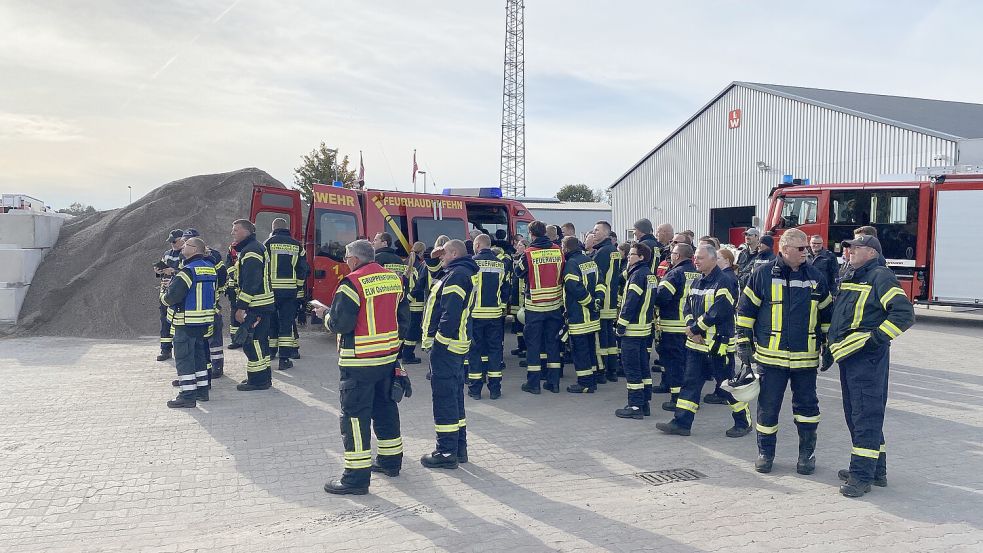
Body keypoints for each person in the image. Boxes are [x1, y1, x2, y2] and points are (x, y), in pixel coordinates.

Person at [314, 239, 407, 495]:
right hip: (386, 359)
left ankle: (356, 478)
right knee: (386, 408)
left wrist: (325, 315)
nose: (345, 262)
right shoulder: (393, 279)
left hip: (358, 362)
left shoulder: (351, 283)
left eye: (346, 258)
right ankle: (390, 462)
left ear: (355, 259)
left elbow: (341, 324)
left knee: (355, 418)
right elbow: (404, 320)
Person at [739, 229, 834, 474]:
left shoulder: (816, 276)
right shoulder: (761, 274)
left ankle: (806, 455)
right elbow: (746, 310)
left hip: (806, 359)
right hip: (771, 359)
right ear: (785, 249)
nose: (807, 251)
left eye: (807, 248)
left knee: (807, 410)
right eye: (801, 248)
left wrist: (829, 345)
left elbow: (826, 315)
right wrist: (743, 342)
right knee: (767, 409)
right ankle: (765, 454)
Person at [829, 234, 914, 497]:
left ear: (872, 252)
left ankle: (861, 476)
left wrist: (875, 339)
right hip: (849, 357)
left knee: (865, 417)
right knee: (857, 415)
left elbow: (904, 314)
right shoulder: (853, 275)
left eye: (856, 248)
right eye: (849, 248)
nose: (850, 251)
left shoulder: (880, 276)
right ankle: (877, 471)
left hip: (867, 359)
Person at [657, 244, 751, 437]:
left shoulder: (724, 281)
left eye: (700, 258)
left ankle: (743, 421)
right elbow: (686, 307)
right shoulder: (698, 281)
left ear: (713, 259)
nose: (696, 261)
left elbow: (720, 310)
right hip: (696, 344)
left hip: (718, 344)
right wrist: (692, 326)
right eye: (695, 258)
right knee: (690, 383)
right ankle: (681, 423)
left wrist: (696, 328)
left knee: (726, 386)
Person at [421, 240, 479, 469]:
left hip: (447, 346)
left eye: (444, 254)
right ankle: (459, 448)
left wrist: (439, 343)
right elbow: (436, 272)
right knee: (455, 397)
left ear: (454, 253)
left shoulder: (457, 275)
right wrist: (434, 254)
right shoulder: (459, 271)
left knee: (444, 399)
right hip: (456, 345)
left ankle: (446, 453)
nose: (441, 258)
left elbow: (450, 313)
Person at [160, 237, 216, 408]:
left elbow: (171, 298)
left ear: (194, 249)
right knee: (199, 357)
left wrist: (164, 291)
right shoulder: (210, 268)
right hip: (203, 322)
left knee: (184, 359)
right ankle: (201, 391)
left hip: (185, 322)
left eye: (186, 245)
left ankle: (187, 395)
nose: (183, 248)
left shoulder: (187, 271)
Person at [515, 221, 565, 394]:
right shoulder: (558, 250)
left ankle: (534, 384)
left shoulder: (528, 253)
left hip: (535, 306)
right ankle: (554, 382)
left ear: (531, 234)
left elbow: (518, 272)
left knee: (534, 345)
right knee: (552, 344)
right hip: (555, 304)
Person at [652, 236, 700, 410]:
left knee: (674, 363)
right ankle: (678, 391)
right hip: (690, 326)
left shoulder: (674, 273)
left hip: (672, 325)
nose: (670, 255)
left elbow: (662, 297)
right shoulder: (698, 273)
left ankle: (677, 398)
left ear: (678, 256)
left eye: (672, 253)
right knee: (686, 363)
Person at [230, 219, 276, 391]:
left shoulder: (251, 251)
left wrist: (241, 307)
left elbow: (252, 282)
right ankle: (262, 378)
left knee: (253, 342)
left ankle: (257, 381)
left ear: (246, 232)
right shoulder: (255, 247)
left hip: (256, 305)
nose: (232, 232)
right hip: (262, 304)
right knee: (260, 342)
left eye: (235, 229)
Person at [614, 242, 657, 418]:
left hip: (632, 330)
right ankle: (644, 403)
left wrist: (621, 325)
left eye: (632, 255)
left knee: (632, 369)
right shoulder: (649, 275)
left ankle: (635, 407)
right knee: (642, 368)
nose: (628, 257)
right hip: (644, 329)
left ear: (641, 257)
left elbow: (631, 302)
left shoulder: (637, 275)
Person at [468, 234, 509, 400]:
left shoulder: (472, 263)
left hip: (476, 315)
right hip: (495, 315)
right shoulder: (500, 264)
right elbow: (506, 289)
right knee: (494, 352)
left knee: (475, 352)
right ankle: (495, 389)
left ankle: (475, 389)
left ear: (477, 245)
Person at [265, 218, 309, 370]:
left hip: (270, 292)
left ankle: (271, 352)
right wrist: (298, 288)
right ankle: (284, 360)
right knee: (286, 324)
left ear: (273, 228)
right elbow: (303, 269)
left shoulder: (267, 244)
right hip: (290, 292)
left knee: (271, 322)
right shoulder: (297, 245)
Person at [560, 236, 602, 393]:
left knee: (580, 350)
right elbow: (600, 282)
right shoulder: (590, 260)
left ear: (566, 248)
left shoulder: (571, 264)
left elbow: (574, 288)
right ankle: (591, 380)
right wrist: (597, 301)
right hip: (592, 316)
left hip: (579, 316)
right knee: (590, 349)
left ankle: (584, 383)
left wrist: (590, 303)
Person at [587, 221, 623, 383]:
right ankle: (612, 370)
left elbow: (595, 278)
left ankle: (601, 371)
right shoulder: (612, 250)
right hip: (611, 300)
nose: (594, 233)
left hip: (602, 301)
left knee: (600, 338)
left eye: (597, 230)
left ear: (607, 233)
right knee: (609, 337)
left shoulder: (602, 252)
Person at [703, 247, 738, 405]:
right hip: (724, 328)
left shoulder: (727, 278)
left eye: (718, 258)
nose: (715, 260)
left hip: (723, 329)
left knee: (723, 365)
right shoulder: (726, 276)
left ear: (727, 261)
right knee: (721, 364)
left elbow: (723, 307)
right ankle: (721, 391)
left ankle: (726, 394)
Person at [155, 229, 185, 361]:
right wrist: (158, 271)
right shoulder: (167, 254)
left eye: (174, 241)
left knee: (178, 322)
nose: (172, 244)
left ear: (182, 240)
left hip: (178, 293)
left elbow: (187, 273)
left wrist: (173, 271)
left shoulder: (186, 254)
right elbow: (161, 273)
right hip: (165, 292)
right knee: (165, 322)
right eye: (170, 241)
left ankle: (181, 350)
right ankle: (165, 350)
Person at [402, 242, 427, 365]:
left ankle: (402, 353)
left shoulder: (405, 263)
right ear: (421, 252)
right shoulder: (420, 266)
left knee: (405, 329)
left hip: (405, 303)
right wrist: (410, 297)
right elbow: (419, 286)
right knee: (413, 332)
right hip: (416, 304)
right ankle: (408, 355)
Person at [509, 237, 529, 364]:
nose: (517, 247)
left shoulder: (525, 259)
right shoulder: (517, 258)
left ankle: (526, 348)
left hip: (523, 297)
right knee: (518, 324)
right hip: (516, 295)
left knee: (524, 324)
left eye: (520, 245)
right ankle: (520, 346)